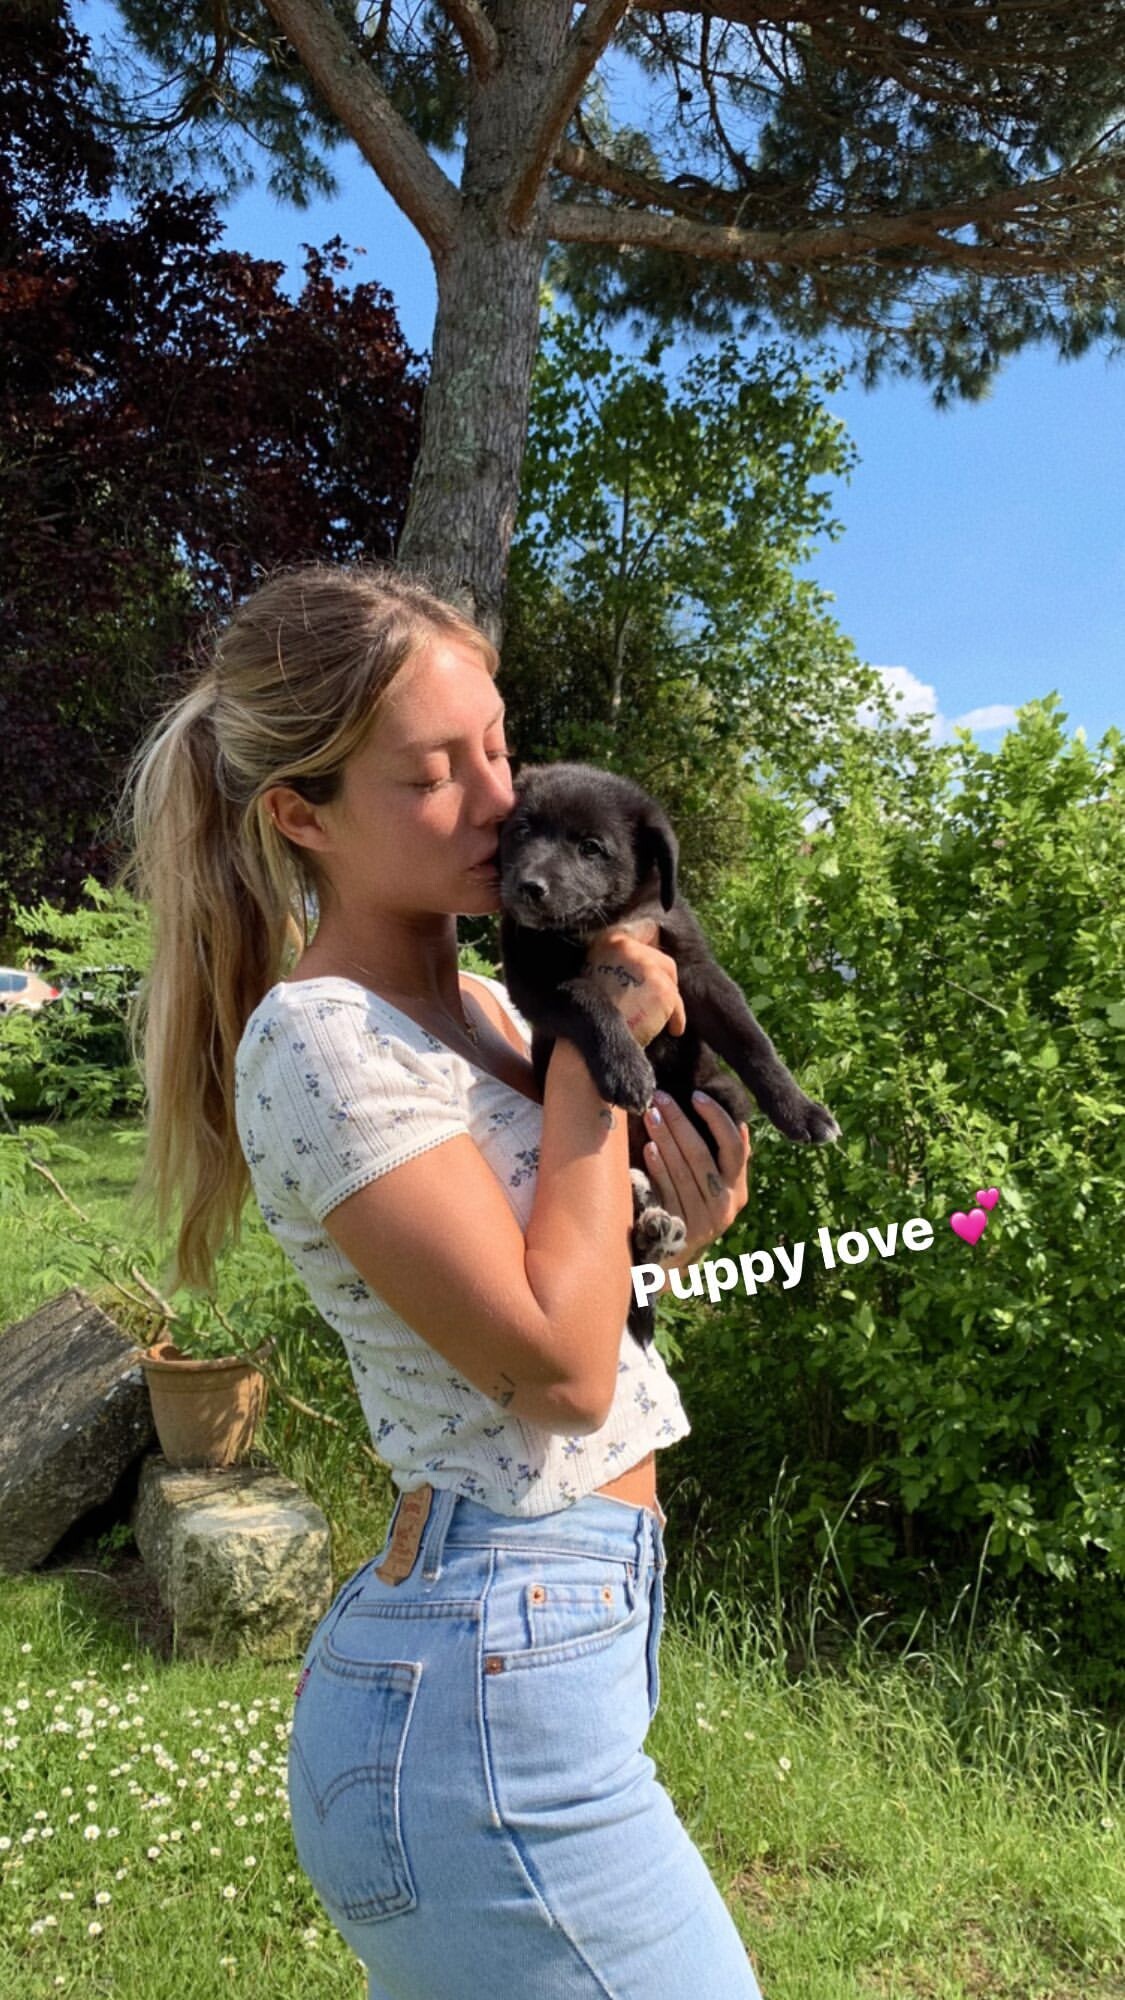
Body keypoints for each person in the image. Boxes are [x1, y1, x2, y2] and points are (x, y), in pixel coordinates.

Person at [118, 560, 763, 1998]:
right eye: (428, 776)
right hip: (490, 1675)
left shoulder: (478, 1010)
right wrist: (600, 1044)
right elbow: (558, 1371)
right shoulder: (327, 1042)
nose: (496, 804)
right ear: (301, 818)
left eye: (497, 748)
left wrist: (676, 1223)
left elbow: (580, 1290)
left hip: (544, 1643)